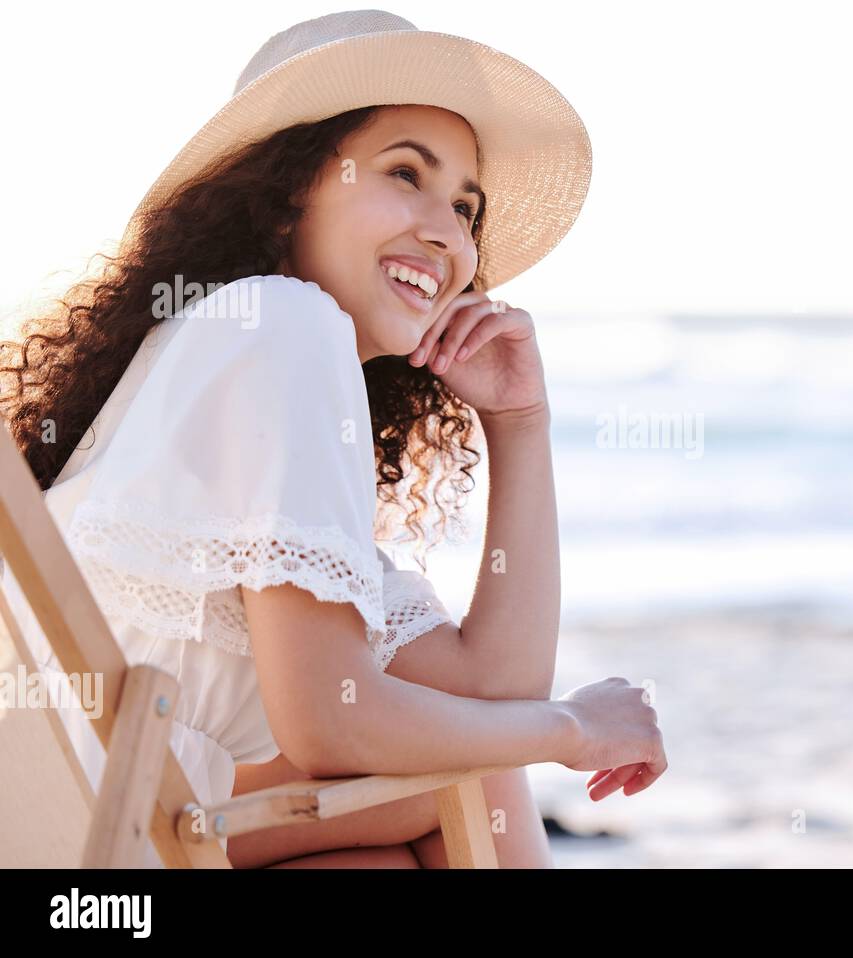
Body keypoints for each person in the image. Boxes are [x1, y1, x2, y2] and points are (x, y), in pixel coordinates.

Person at [0, 10, 666, 868]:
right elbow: (332, 722)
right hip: (105, 834)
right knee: (480, 772)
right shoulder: (282, 325)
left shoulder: (243, 356)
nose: (448, 233)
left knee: (399, 834)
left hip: (74, 836)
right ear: (285, 195)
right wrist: (570, 731)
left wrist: (518, 423)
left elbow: (491, 690)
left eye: (466, 206)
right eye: (404, 173)